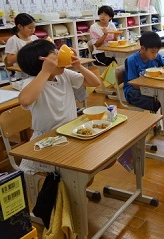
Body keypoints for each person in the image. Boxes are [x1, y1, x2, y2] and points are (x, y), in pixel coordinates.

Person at [17, 39, 101, 172]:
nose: (60, 57)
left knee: (95, 159)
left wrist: (79, 66)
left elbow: (95, 82)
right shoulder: (33, 82)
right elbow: (25, 100)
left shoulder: (64, 75)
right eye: (54, 56)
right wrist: (45, 72)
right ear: (43, 63)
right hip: (46, 138)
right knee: (75, 169)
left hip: (69, 132)